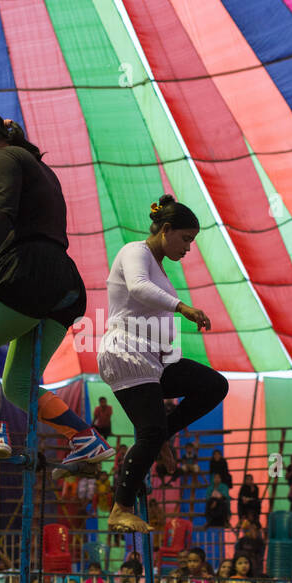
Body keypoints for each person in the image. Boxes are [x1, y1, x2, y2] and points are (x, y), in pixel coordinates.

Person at [0, 111, 112, 475]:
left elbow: (3, 209)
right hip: (64, 285)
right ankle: (85, 437)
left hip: (28, 274)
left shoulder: (4, 157)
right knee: (19, 386)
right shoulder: (39, 167)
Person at [96, 195, 228, 533]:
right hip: (127, 352)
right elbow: (139, 288)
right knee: (150, 432)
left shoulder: (159, 265)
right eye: (186, 239)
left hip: (154, 358)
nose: (188, 248)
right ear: (166, 229)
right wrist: (182, 307)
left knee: (214, 385)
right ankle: (120, 507)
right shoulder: (135, 251)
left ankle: (162, 435)